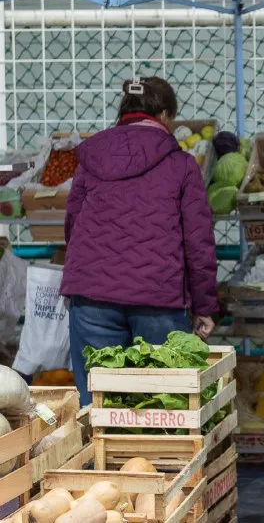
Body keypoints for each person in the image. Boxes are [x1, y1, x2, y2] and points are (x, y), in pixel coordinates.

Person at [61, 77, 218, 406]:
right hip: (158, 296)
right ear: (165, 115)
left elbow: (73, 224)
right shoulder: (181, 164)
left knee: (99, 403)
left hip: (92, 295)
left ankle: (100, 443)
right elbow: (198, 243)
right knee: (162, 404)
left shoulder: (91, 158)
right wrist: (204, 307)